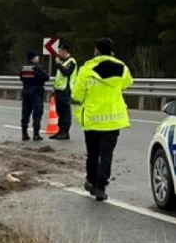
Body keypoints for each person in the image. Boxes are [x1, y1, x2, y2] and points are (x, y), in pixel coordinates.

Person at [72, 38, 133, 202]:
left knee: (92, 153)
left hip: (92, 119)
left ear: (97, 51)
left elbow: (77, 95)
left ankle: (91, 181)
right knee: (107, 155)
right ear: (111, 51)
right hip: (113, 119)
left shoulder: (87, 68)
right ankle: (101, 186)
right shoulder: (122, 67)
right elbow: (128, 83)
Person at [50, 42, 78, 140]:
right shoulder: (63, 62)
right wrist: (54, 88)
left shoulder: (71, 62)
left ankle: (65, 132)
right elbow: (59, 78)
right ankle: (60, 130)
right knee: (59, 111)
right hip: (59, 90)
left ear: (65, 51)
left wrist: (58, 64)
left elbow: (66, 73)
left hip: (66, 89)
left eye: (60, 51)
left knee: (65, 112)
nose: (59, 53)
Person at [20, 50, 49, 141]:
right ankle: (36, 134)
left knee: (25, 113)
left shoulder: (23, 68)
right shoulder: (36, 68)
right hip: (36, 93)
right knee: (37, 113)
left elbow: (21, 78)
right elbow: (46, 77)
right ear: (34, 57)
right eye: (37, 56)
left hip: (26, 92)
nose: (38, 58)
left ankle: (24, 134)